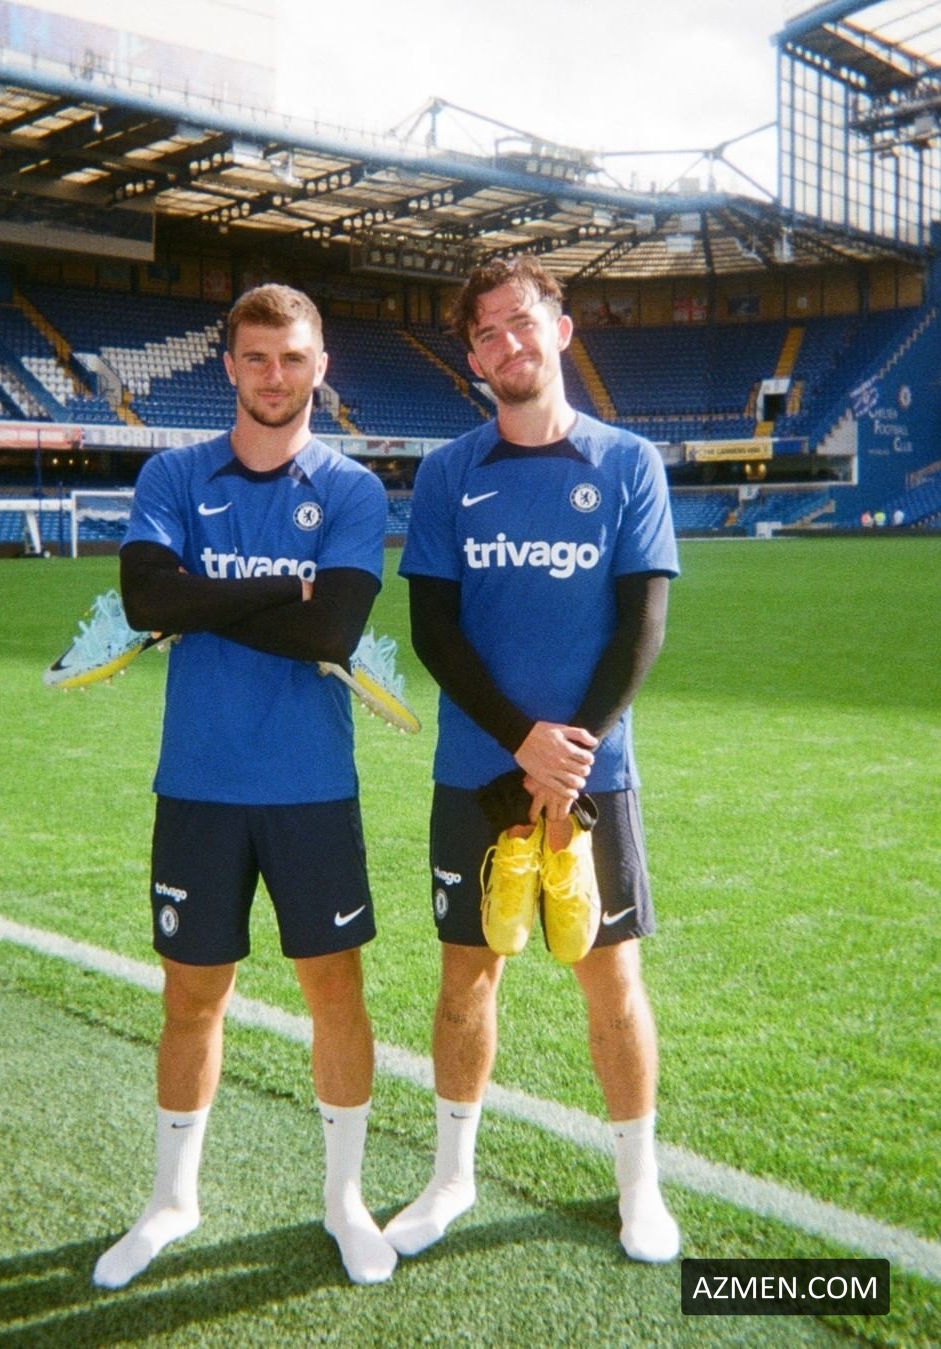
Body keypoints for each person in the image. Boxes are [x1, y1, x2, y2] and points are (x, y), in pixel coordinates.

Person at [93, 283, 396, 1289]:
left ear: (321, 368)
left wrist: (205, 600)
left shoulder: (350, 489)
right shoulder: (174, 473)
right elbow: (146, 598)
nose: (275, 375)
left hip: (312, 788)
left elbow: (332, 630)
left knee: (335, 993)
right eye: (257, 357)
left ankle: (344, 1199)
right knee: (192, 995)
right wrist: (282, 587)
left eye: (293, 357)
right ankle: (172, 1197)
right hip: (199, 785)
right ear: (228, 365)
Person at [387, 256, 680, 1265]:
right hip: (480, 766)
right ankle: (451, 1176)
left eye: (522, 321)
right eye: (486, 333)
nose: (507, 342)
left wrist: (570, 753)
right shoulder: (448, 473)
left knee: (613, 981)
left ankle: (639, 1186)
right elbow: (434, 628)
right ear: (473, 359)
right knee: (467, 979)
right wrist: (523, 742)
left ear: (561, 327)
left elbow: (641, 626)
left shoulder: (628, 463)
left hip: (596, 774)